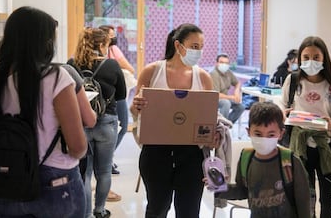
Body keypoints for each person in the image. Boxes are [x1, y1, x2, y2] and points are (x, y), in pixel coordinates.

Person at [0, 6, 88, 217]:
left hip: (5, 180)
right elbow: (77, 146)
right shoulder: (55, 77)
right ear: (44, 42)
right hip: (55, 180)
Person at [130, 23, 214, 218]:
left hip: (192, 154)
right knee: (157, 208)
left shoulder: (203, 77)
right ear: (178, 46)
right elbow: (134, 111)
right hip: (156, 152)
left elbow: (210, 117)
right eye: (194, 46)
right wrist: (137, 105)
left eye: (201, 47)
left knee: (189, 211)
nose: (198, 52)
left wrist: (214, 135)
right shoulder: (152, 71)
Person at [280, 36, 331, 218]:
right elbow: (281, 104)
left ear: (324, 58)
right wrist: (283, 113)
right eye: (306, 57)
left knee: (327, 198)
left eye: (316, 57)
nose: (311, 61)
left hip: (326, 148)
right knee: (304, 197)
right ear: (300, 59)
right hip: (299, 148)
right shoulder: (293, 81)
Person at [215, 101, 311, 217]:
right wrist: (218, 186)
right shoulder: (246, 158)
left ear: (281, 134)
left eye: (271, 135)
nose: (264, 139)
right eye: (258, 134)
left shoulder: (290, 161)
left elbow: (303, 201)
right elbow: (243, 191)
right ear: (248, 132)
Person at [69, 27, 126, 218]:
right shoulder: (112, 65)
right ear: (103, 44)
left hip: (81, 123)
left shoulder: (71, 65)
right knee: (104, 172)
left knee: (84, 172)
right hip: (107, 123)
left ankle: (84, 213)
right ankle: (100, 210)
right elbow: (121, 96)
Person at [99, 25, 135, 175]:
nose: (114, 39)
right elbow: (129, 68)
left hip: (101, 97)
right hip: (114, 95)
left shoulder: (111, 51)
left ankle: (105, 158)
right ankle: (105, 159)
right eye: (111, 36)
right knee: (122, 125)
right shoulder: (112, 53)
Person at [210, 53, 245, 124]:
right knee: (226, 103)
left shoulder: (228, 72)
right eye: (221, 62)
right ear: (217, 63)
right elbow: (216, 94)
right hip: (213, 99)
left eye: (226, 63)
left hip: (225, 98)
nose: (224, 65)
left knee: (241, 107)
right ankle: (221, 126)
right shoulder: (213, 74)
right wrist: (232, 97)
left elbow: (237, 83)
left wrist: (236, 91)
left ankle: (228, 124)